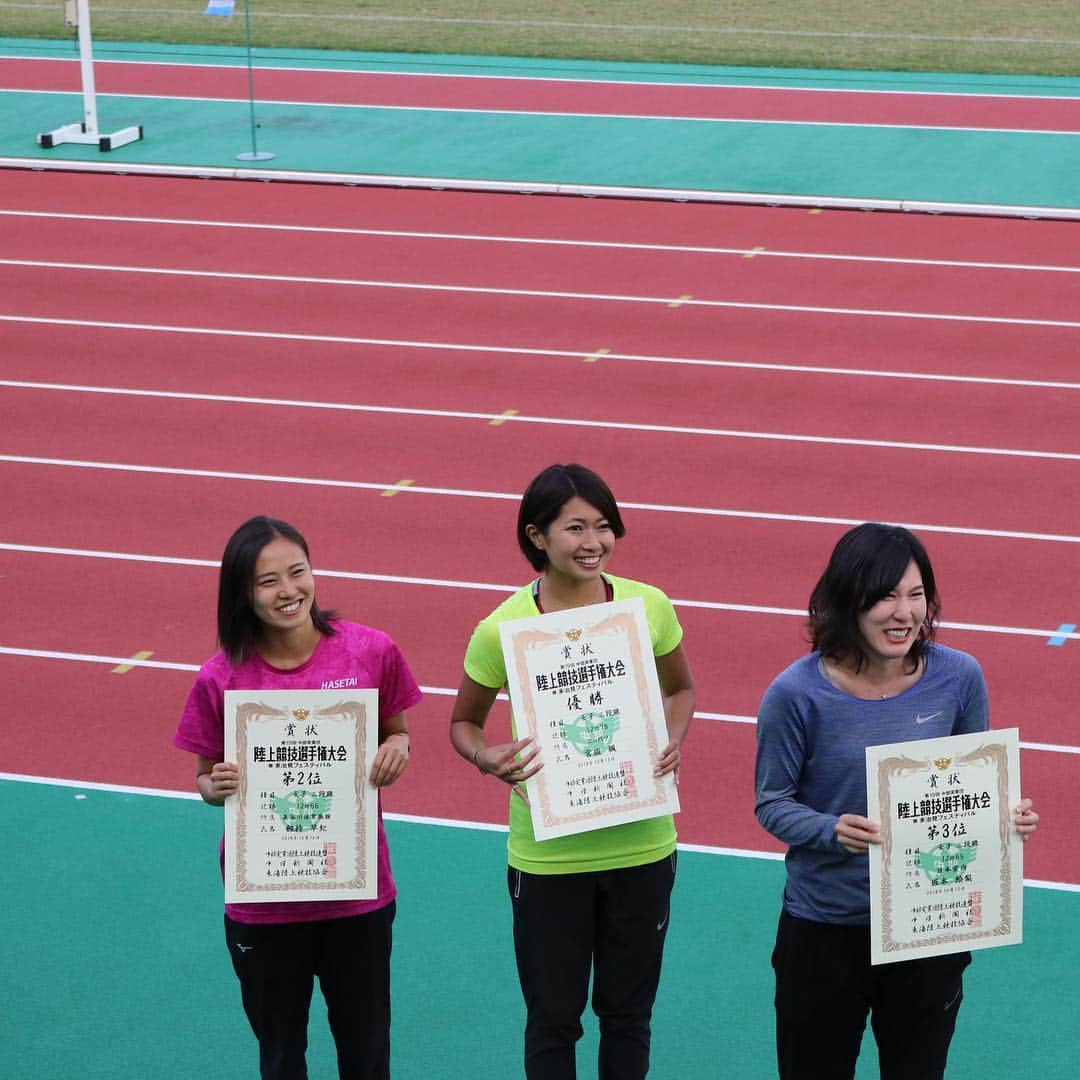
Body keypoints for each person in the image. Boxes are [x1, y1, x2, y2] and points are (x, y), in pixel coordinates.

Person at [754, 522, 1039, 1080]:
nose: (903, 612)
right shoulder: (794, 694)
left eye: (915, 595)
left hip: (928, 924)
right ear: (846, 600)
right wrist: (830, 829)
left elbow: (970, 786)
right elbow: (772, 803)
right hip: (826, 927)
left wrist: (1003, 818)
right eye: (885, 595)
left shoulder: (959, 677)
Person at [449, 463, 695, 1080]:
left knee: (628, 1015)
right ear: (536, 536)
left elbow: (682, 690)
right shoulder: (501, 627)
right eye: (575, 528)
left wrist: (670, 737)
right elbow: (463, 724)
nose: (594, 542)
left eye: (605, 527)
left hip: (642, 843)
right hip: (549, 857)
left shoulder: (648, 606)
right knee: (553, 1021)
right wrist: (487, 757)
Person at [174, 515, 422, 1080]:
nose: (289, 591)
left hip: (356, 896)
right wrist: (219, 786)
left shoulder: (370, 651)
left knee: (366, 1054)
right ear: (241, 592)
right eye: (268, 581)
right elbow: (205, 779)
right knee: (281, 1057)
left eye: (297, 572)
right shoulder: (220, 678)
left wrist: (398, 749)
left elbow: (397, 731)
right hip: (263, 900)